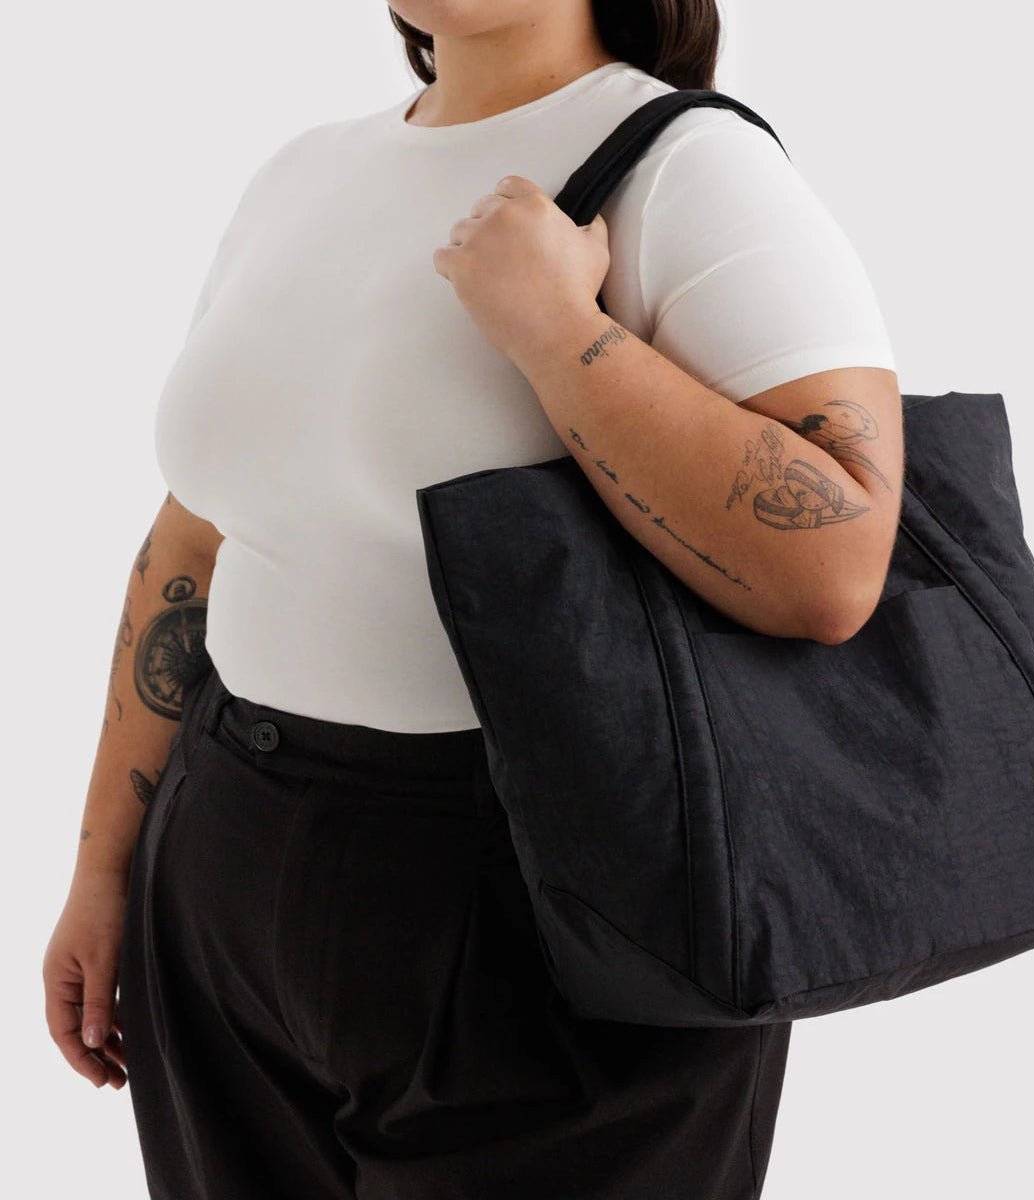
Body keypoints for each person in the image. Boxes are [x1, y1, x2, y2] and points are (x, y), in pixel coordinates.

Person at [43, 1, 904, 1196]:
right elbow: (197, 529)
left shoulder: (688, 171)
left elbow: (839, 567)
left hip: (546, 905)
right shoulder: (302, 175)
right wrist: (105, 872)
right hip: (225, 849)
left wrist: (558, 333)